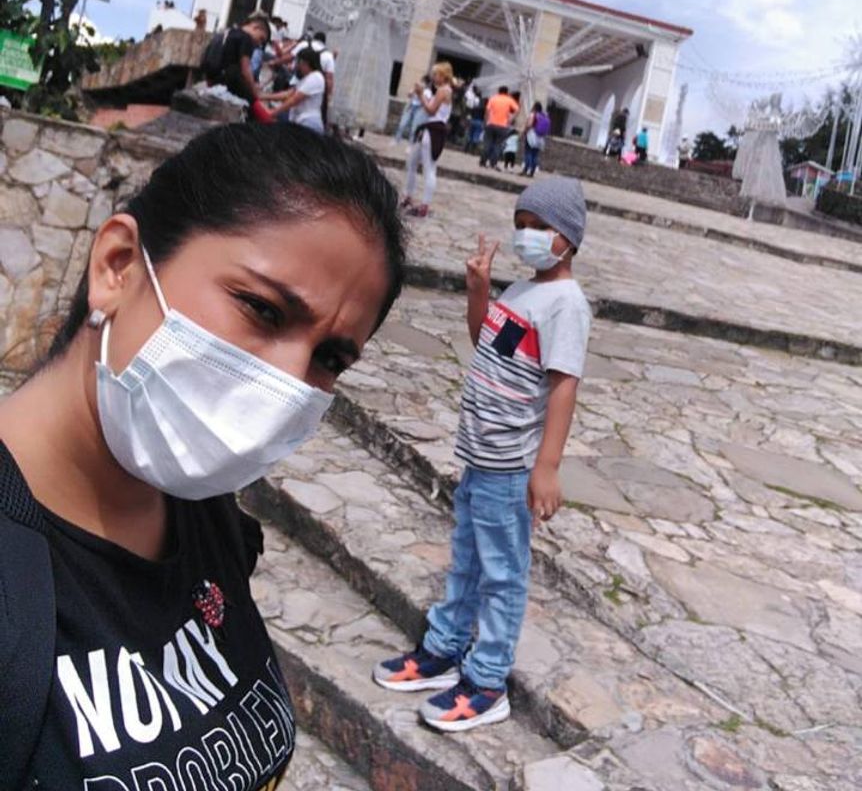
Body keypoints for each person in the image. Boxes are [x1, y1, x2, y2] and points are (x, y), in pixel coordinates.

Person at [0, 123, 406, 787]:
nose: (287, 382)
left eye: (330, 358)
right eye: (263, 310)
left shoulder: (204, 510)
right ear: (119, 267)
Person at [373, 176, 591, 731]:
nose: (528, 237)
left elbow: (564, 384)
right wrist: (480, 291)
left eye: (541, 228)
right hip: (480, 456)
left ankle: (488, 680)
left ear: (568, 236)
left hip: (511, 465)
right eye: (522, 225)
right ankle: (444, 650)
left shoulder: (566, 305)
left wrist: (547, 467)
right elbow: (484, 342)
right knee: (467, 560)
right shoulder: (521, 292)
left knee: (502, 574)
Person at [402, 61, 454, 218]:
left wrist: (420, 95)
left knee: (429, 168)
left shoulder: (443, 91)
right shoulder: (443, 91)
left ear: (443, 75)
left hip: (433, 130)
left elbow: (431, 110)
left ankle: (424, 204)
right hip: (429, 129)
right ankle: (408, 196)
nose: (434, 77)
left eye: (436, 74)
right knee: (411, 162)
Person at [260, 46, 326, 132]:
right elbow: (288, 94)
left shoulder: (315, 78)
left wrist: (272, 112)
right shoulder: (306, 78)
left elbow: (294, 99)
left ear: (305, 63)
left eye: (298, 63)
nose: (297, 66)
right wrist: (263, 96)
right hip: (301, 121)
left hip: (309, 123)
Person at [219, 14, 271, 104]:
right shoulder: (246, 39)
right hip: (233, 79)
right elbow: (245, 69)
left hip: (222, 76)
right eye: (261, 38)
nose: (259, 43)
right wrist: (254, 90)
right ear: (256, 28)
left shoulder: (232, 32)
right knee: (255, 103)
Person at [480, 86, 519, 169]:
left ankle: (483, 161)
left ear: (498, 91)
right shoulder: (509, 100)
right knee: (498, 145)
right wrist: (511, 119)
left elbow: (487, 110)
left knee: (487, 143)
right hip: (502, 126)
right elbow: (517, 109)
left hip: (491, 123)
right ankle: (493, 163)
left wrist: (486, 121)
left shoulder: (493, 98)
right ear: (507, 92)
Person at [395, 75, 431, 143]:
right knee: (402, 124)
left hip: (419, 109)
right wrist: (415, 89)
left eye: (425, 82)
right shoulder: (415, 88)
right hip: (411, 107)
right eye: (422, 81)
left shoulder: (427, 92)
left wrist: (421, 92)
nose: (422, 83)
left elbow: (425, 101)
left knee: (414, 128)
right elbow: (409, 95)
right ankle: (397, 139)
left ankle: (411, 144)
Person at [522, 101, 550, 177]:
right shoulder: (544, 116)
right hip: (540, 138)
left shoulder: (533, 115)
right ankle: (532, 172)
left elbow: (530, 125)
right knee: (535, 154)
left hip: (532, 136)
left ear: (534, 107)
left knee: (528, 153)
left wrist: (524, 131)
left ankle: (526, 169)